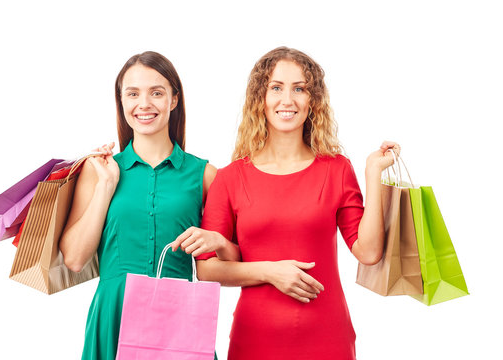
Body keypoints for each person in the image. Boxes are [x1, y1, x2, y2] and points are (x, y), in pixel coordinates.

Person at [172, 46, 400, 360]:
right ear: (260, 99)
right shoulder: (230, 177)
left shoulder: (336, 169)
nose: (287, 100)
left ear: (313, 101)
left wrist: (373, 172)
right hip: (254, 342)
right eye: (276, 88)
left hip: (327, 340)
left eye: (299, 89)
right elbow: (208, 270)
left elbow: (370, 252)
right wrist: (270, 272)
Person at [59, 51, 237, 360]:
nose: (144, 103)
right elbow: (74, 259)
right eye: (133, 93)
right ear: (121, 102)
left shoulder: (206, 175)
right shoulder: (98, 170)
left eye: (157, 92)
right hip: (113, 316)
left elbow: (235, 258)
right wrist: (105, 187)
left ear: (173, 100)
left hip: (180, 320)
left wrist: (219, 241)